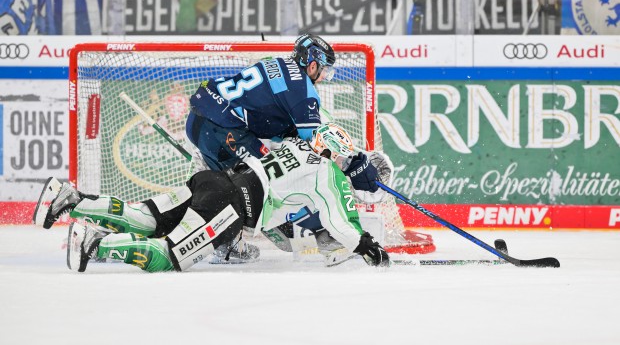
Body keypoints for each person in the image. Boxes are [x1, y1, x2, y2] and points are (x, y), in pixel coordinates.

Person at [33, 123, 390, 273]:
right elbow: (340, 225)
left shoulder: (295, 144)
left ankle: (70, 198)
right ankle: (96, 243)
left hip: (213, 180)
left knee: (147, 217)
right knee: (168, 256)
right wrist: (369, 248)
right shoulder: (328, 174)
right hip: (230, 207)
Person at [186, 33, 336, 171]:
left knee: (220, 194)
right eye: (325, 71)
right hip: (223, 130)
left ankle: (205, 168)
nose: (324, 77)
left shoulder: (274, 62)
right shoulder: (305, 92)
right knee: (270, 175)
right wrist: (347, 163)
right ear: (313, 65)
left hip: (199, 116)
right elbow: (317, 145)